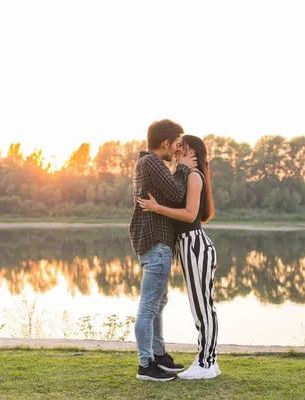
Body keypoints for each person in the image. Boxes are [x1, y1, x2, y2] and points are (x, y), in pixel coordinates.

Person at [137, 135, 221, 380]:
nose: (175, 153)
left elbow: (189, 214)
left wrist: (157, 208)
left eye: (180, 149)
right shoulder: (189, 176)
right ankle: (208, 361)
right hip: (189, 246)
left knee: (202, 308)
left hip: (195, 245)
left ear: (191, 151)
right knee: (202, 307)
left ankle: (206, 363)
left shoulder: (194, 176)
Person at [129, 119, 197, 381]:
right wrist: (182, 168)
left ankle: (158, 355)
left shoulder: (148, 163)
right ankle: (146, 365)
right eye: (177, 145)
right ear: (165, 143)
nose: (178, 150)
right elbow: (179, 194)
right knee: (149, 306)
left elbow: (168, 194)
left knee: (159, 302)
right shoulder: (152, 162)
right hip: (156, 241)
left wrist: (176, 165)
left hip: (155, 242)